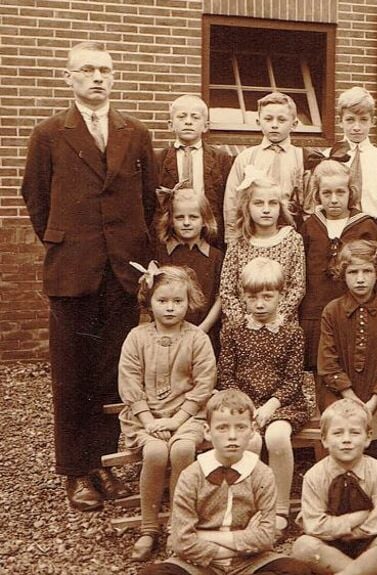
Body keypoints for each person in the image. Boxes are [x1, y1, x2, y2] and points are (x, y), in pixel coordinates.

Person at [20, 40, 153, 511]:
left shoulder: (134, 132)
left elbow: (147, 201)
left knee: (110, 375)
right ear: (69, 78)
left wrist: (130, 254)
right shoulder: (50, 134)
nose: (98, 77)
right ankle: (75, 472)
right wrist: (67, 243)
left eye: (106, 70)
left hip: (121, 274)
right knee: (71, 376)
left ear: (114, 78)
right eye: (88, 70)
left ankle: (103, 463)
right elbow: (35, 197)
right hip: (72, 273)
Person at [139, 389, 312, 575]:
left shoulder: (263, 474)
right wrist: (239, 541)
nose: (232, 436)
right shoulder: (192, 476)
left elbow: (265, 538)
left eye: (240, 427)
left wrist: (205, 536)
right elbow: (181, 541)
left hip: (251, 562)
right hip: (200, 565)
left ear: (252, 430)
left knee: (296, 571)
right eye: (222, 428)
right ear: (207, 431)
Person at [118, 264, 216, 561]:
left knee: (183, 449)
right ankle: (149, 528)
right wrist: (148, 421)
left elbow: (203, 384)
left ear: (190, 302)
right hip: (145, 418)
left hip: (187, 416)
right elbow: (130, 380)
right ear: (149, 302)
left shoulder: (198, 338)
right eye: (163, 301)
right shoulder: (137, 337)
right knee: (156, 453)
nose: (171, 308)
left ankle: (179, 525)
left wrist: (177, 419)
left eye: (178, 301)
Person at [218, 257, 311, 534]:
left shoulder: (292, 332)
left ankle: (280, 508)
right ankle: (253, 507)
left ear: (281, 296)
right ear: (243, 297)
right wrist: (245, 406)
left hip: (283, 403)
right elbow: (226, 374)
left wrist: (272, 405)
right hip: (243, 404)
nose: (259, 304)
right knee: (252, 441)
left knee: (277, 437)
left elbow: (294, 379)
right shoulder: (233, 331)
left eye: (267, 296)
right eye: (252, 297)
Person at [291, 399, 377, 575]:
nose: (346, 440)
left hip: (370, 545)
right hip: (329, 547)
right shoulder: (314, 476)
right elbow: (314, 526)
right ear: (324, 439)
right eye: (337, 433)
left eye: (354, 433)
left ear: (368, 438)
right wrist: (356, 519)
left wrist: (341, 529)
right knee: (303, 547)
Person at [317, 240, 377, 465]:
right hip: (338, 392)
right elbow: (327, 362)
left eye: (367, 271)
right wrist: (351, 399)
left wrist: (372, 402)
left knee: (376, 437)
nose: (361, 278)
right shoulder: (332, 311)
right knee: (342, 431)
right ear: (343, 274)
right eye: (353, 272)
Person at [298, 160, 377, 378]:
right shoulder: (311, 226)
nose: (334, 199)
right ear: (318, 195)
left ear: (350, 193)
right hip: (315, 309)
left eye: (340, 192)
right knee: (317, 367)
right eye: (327, 193)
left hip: (352, 309)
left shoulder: (365, 225)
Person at [218, 167, 305, 323]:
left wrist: (276, 318)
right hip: (243, 327)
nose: (266, 210)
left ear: (280, 207)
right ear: (247, 207)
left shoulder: (292, 240)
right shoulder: (238, 242)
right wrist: (244, 321)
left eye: (272, 203)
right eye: (258, 203)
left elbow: (297, 288)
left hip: (280, 326)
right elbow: (227, 290)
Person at [223, 92, 306, 242]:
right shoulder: (247, 158)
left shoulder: (301, 158)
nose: (274, 125)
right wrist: (232, 237)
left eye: (281, 120)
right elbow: (232, 200)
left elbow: (309, 202)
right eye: (268, 119)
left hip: (292, 233)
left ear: (294, 124)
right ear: (258, 121)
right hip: (252, 234)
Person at [155, 94, 234, 250]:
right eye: (182, 116)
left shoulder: (221, 159)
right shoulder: (158, 159)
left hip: (209, 233)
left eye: (195, 117)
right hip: (170, 234)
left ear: (205, 126)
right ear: (170, 125)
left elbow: (225, 200)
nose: (188, 121)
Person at [153, 186, 224, 337]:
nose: (186, 223)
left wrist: (203, 328)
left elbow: (221, 297)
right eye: (179, 217)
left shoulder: (215, 256)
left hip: (204, 333)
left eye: (193, 217)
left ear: (205, 220)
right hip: (167, 333)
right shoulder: (162, 254)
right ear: (171, 221)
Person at [333, 87, 377, 221]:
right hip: (339, 222)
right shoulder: (331, 157)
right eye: (350, 120)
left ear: (373, 121)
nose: (356, 127)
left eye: (363, 120)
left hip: (375, 222)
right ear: (340, 122)